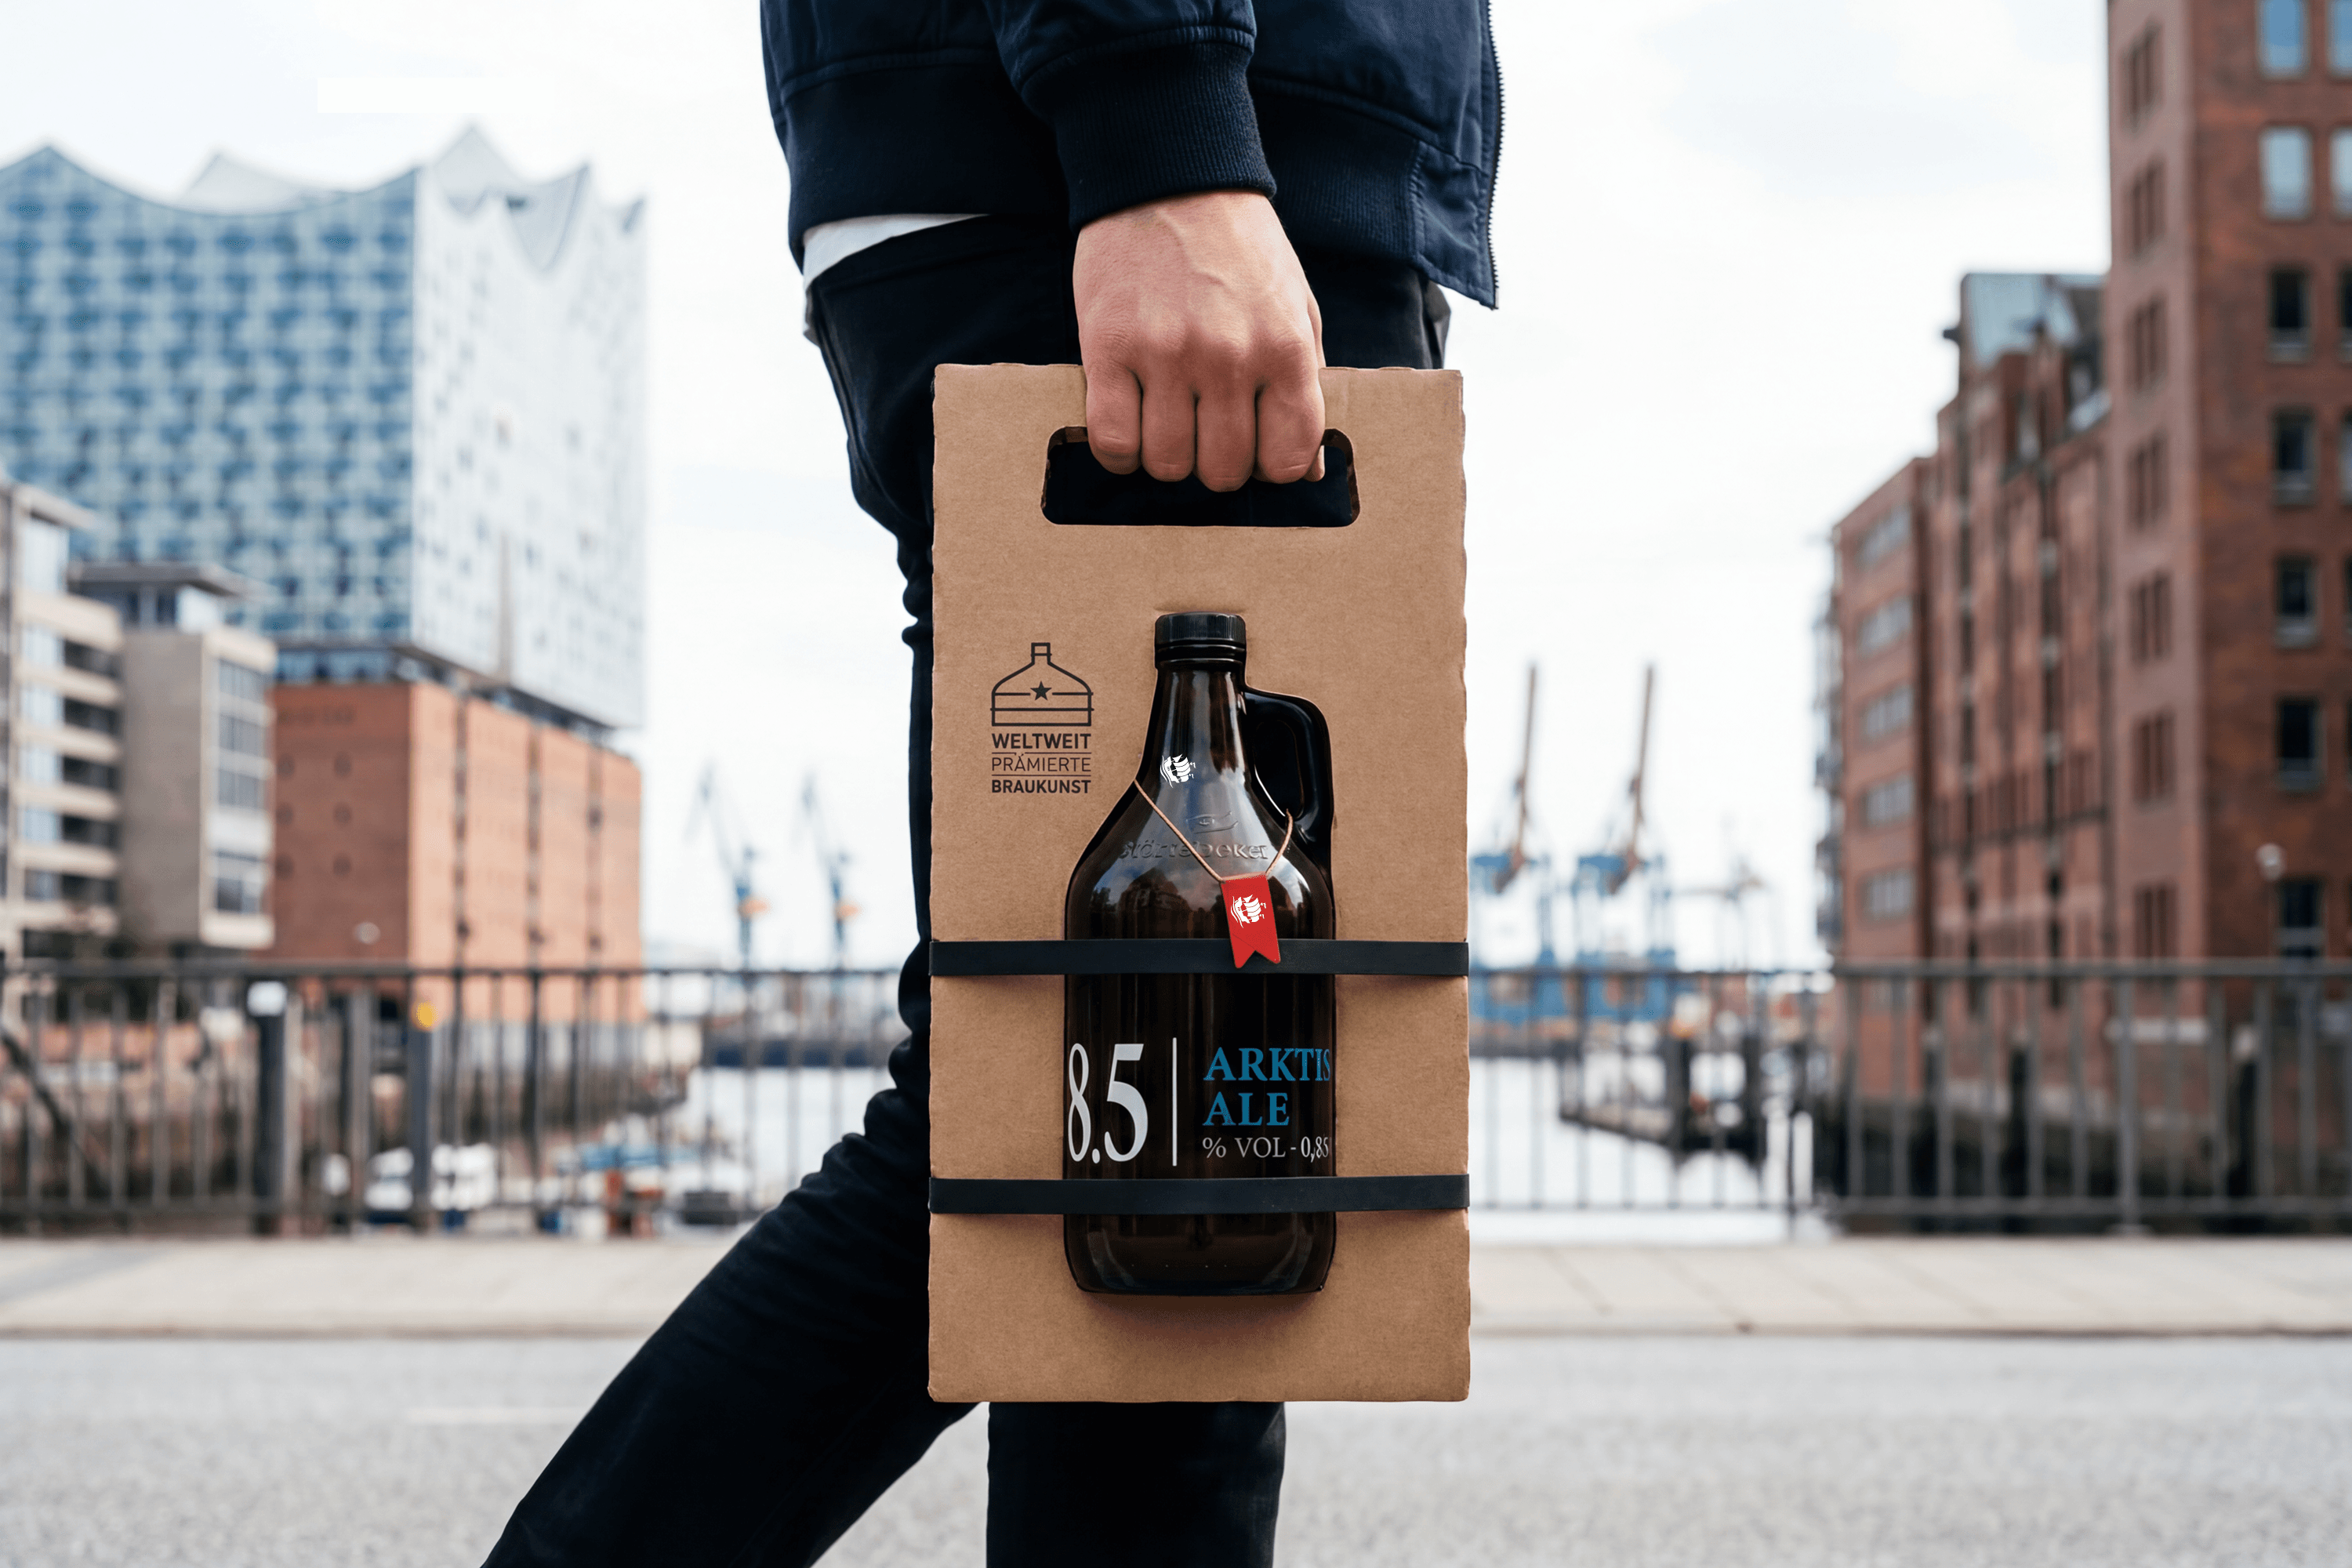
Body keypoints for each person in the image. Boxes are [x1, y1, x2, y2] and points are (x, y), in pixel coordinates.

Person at [483, 4, 1497, 1563]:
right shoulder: (1161, 147)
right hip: (1154, 170)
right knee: (1091, 1110)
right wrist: (1159, 133)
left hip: (1163, 164)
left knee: (1149, 1189)